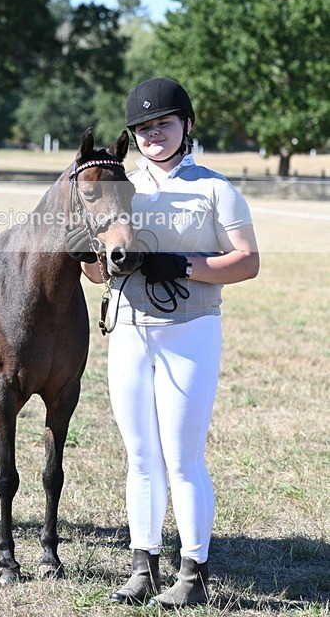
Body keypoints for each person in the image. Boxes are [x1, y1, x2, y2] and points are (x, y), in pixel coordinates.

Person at [69, 77, 260, 607]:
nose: (153, 133)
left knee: (182, 458)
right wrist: (82, 252)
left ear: (186, 126)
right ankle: (143, 566)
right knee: (140, 457)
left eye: (164, 123)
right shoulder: (118, 184)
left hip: (190, 333)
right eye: (143, 127)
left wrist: (185, 265)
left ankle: (193, 573)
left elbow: (247, 261)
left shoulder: (215, 189)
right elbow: (97, 274)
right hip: (128, 331)